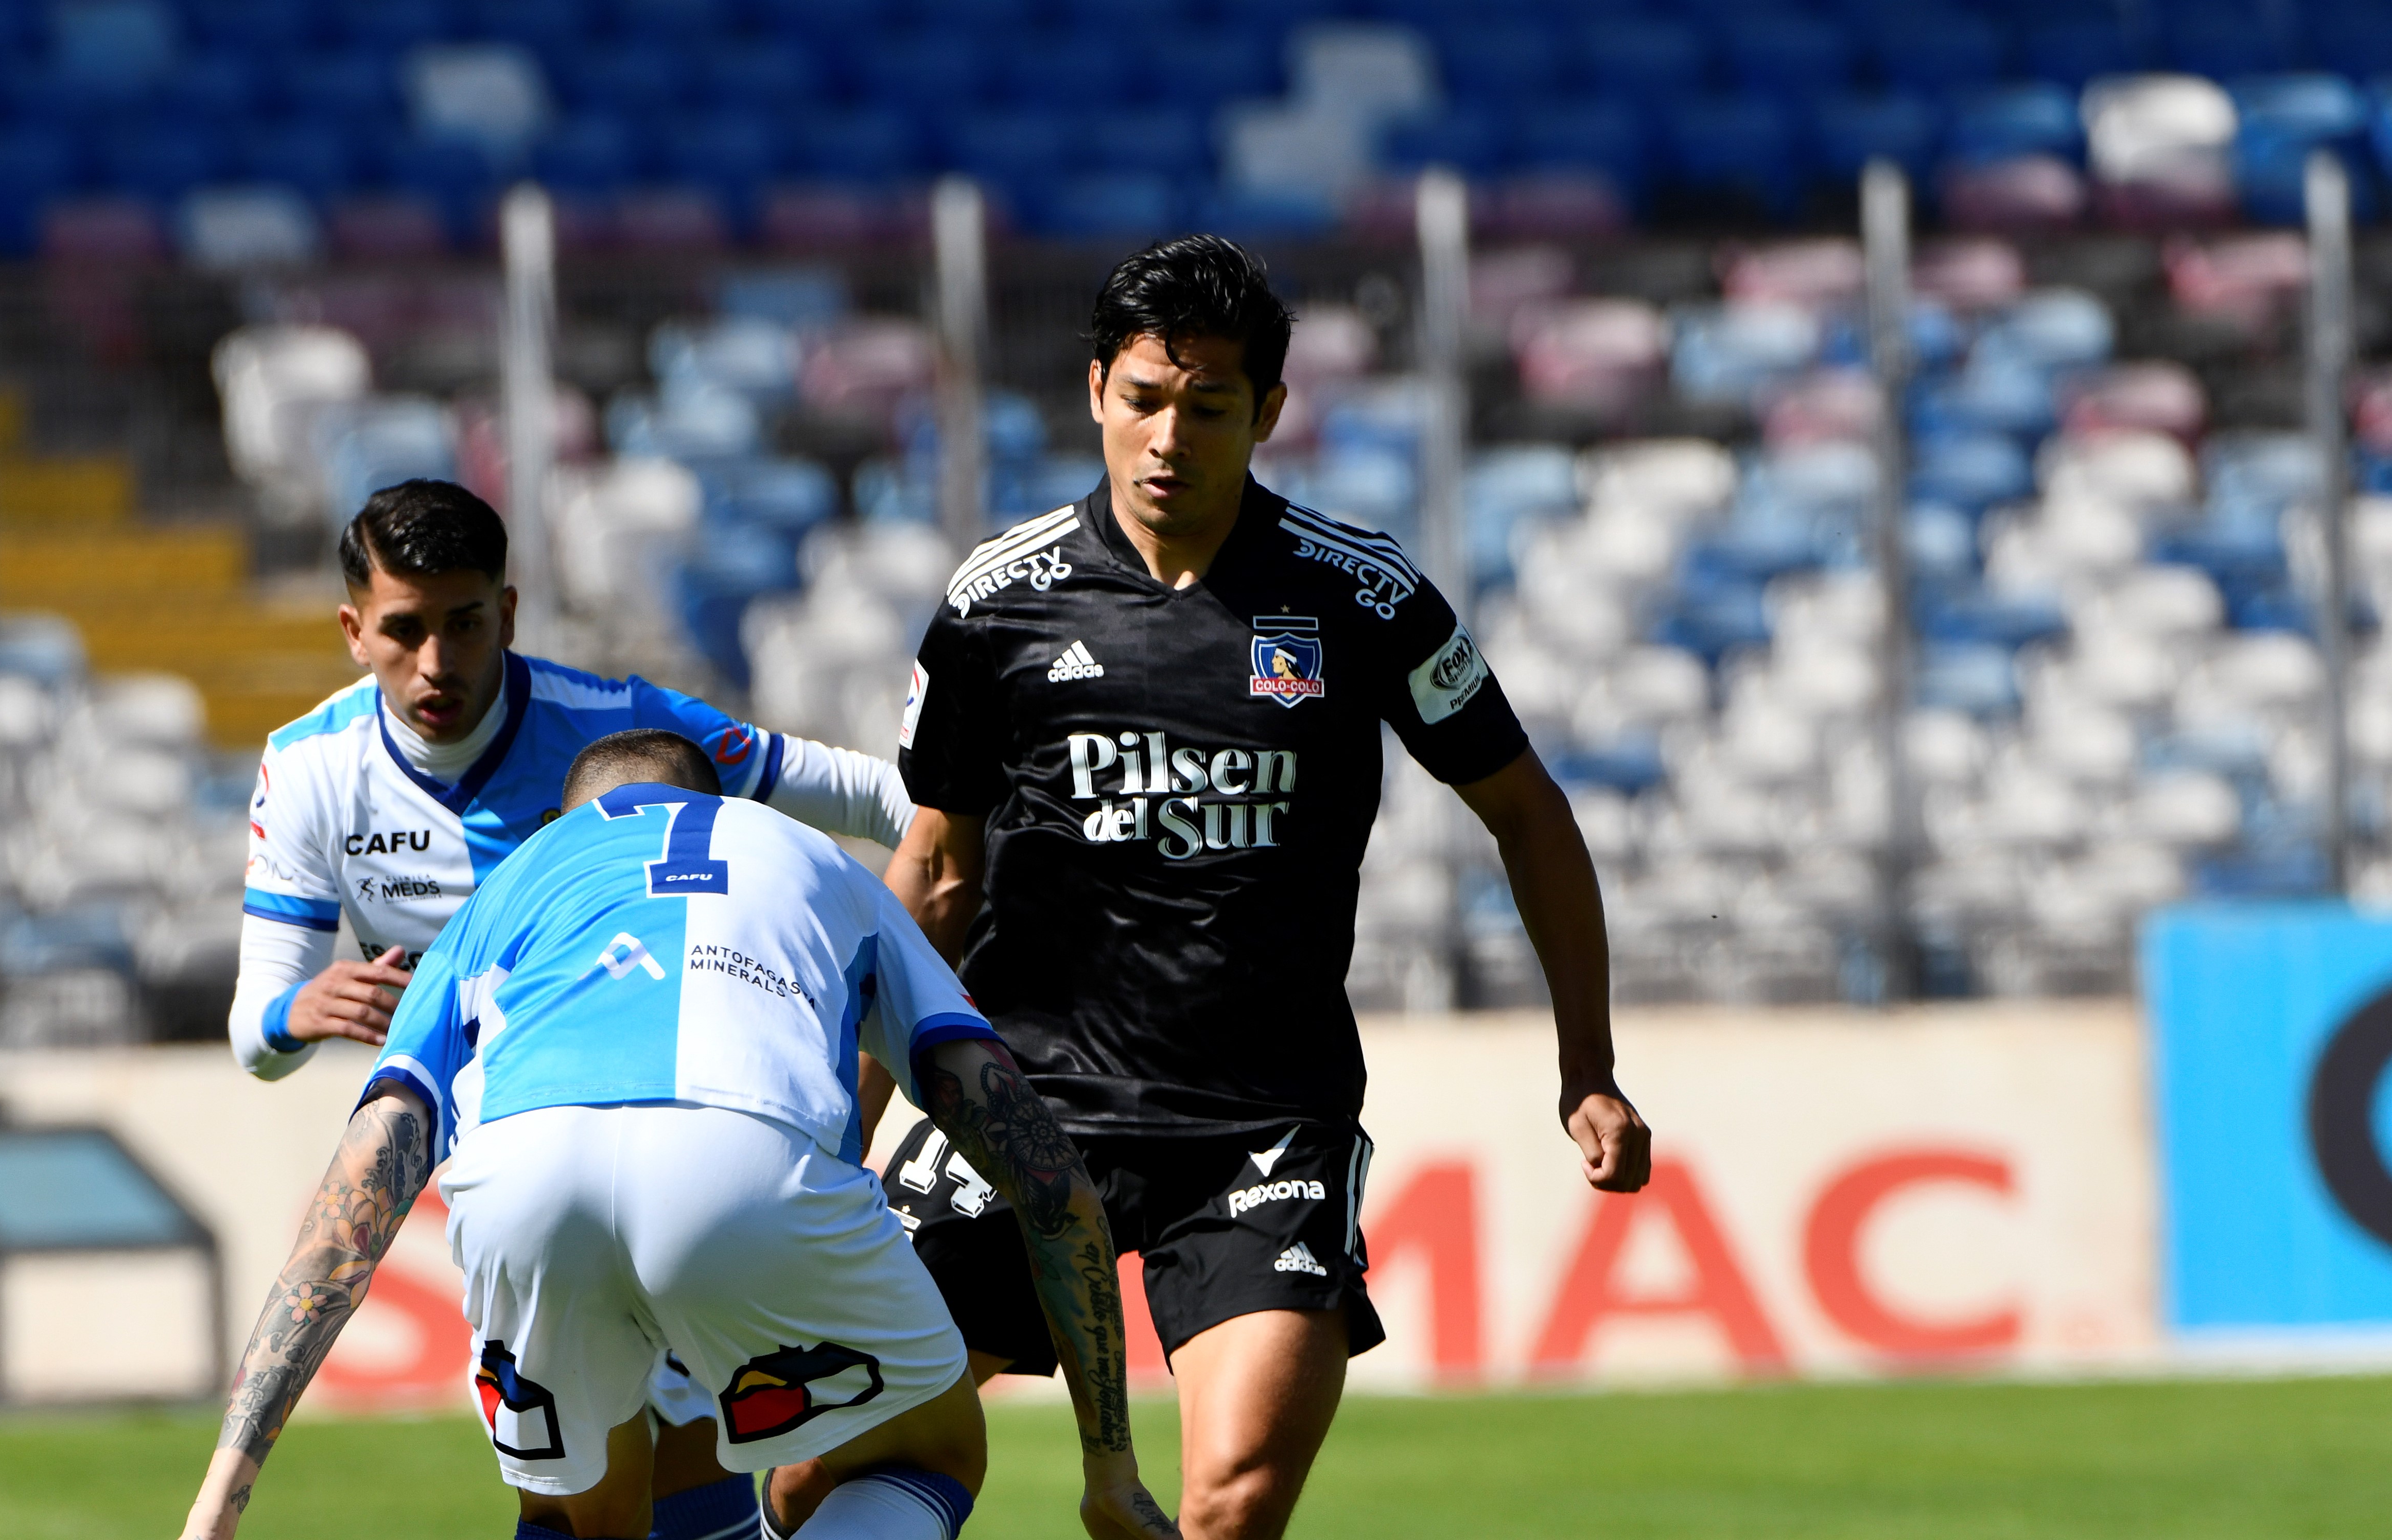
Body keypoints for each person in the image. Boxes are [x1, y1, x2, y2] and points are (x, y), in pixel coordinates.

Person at [810, 235, 1653, 1539]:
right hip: (1018, 1095)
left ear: (1266, 412)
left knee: (1230, 1496)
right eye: (1144, 399)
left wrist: (1584, 1064)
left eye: (1208, 409)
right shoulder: (997, 602)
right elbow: (932, 872)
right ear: (1096, 389)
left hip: (1258, 1119)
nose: (1168, 437)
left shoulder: (1362, 598)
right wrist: (830, 1119)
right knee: (834, 1467)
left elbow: (1528, 816)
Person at [176, 730, 1178, 1540]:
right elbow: (1051, 1185)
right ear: (729, 807)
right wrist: (1111, 1473)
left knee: (579, 1512)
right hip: (744, 1160)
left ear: (564, 823)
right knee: (928, 1453)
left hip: (524, 1175)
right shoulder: (817, 861)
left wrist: (224, 1487)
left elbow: (358, 1193)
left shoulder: (511, 886)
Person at [229, 479, 915, 1538]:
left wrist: (928, 904)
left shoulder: (619, 728)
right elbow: (253, 1038)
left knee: (650, 1471)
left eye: (464, 625)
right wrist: (295, 1011)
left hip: (685, 1114)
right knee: (591, 1488)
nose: (438, 663)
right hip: (507, 1160)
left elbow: (883, 798)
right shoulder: (312, 769)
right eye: (404, 631)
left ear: (506, 613)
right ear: (352, 630)